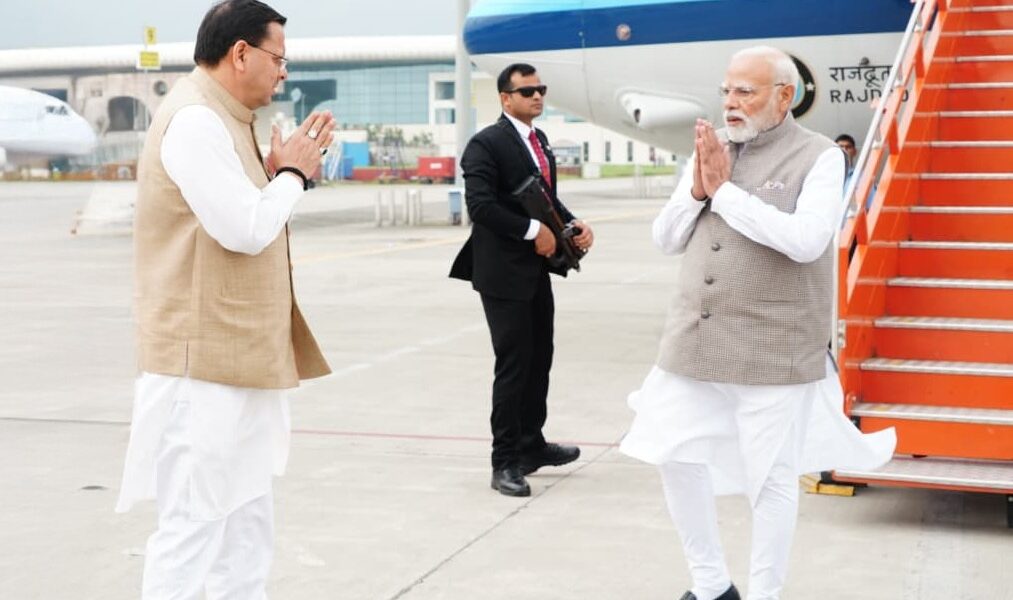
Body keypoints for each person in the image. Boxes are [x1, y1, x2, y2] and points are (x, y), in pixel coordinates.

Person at [619, 47, 895, 600]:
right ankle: (711, 584)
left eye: (745, 92)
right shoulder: (711, 150)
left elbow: (807, 241)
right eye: (726, 90)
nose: (731, 102)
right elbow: (666, 239)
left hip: (774, 347)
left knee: (770, 479)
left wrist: (725, 194)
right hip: (694, 340)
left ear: (784, 96)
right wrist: (698, 190)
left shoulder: (820, 157)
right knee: (672, 453)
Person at [115, 1, 335, 597]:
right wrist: (293, 176)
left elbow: (245, 213)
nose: (283, 72)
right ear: (241, 53)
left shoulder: (227, 119)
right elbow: (244, 229)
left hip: (238, 360)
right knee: (194, 527)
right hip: (202, 370)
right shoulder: (196, 120)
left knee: (246, 524)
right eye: (278, 58)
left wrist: (278, 174)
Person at [450, 63, 595, 497]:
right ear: (505, 98)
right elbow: (480, 207)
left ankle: (532, 445)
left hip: (536, 270)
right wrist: (534, 232)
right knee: (513, 366)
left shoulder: (539, 140)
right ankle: (504, 462)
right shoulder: (486, 144)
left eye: (540, 89)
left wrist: (572, 224)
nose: (537, 96)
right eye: (527, 91)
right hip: (502, 273)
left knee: (539, 359)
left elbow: (545, 199)